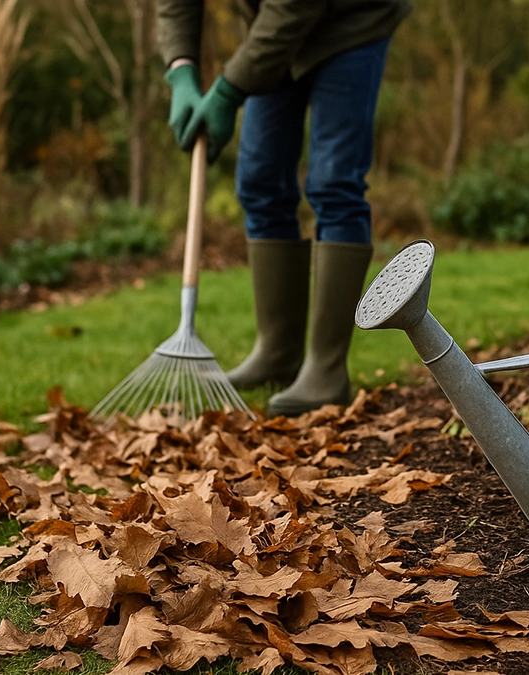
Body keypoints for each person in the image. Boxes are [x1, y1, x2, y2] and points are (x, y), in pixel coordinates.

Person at [156, 0, 412, 416]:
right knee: (260, 181)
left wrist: (227, 90)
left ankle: (326, 368)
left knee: (334, 183)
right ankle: (277, 353)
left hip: (352, 20)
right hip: (272, 32)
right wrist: (180, 68)